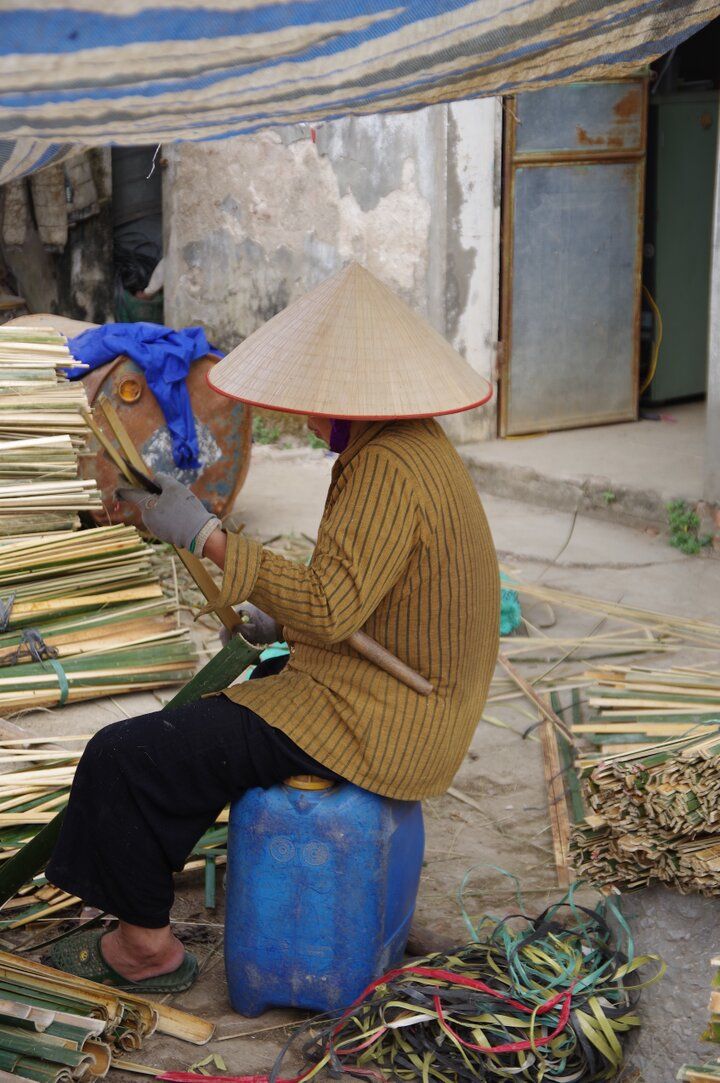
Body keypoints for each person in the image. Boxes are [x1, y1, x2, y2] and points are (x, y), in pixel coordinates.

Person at [46, 262, 500, 993]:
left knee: (125, 756)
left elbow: (330, 606)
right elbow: (354, 593)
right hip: (388, 684)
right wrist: (275, 608)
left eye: (315, 402)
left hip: (383, 714)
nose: (306, 418)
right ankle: (149, 888)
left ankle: (145, 950)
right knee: (195, 740)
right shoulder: (410, 444)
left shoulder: (388, 467)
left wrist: (207, 536)